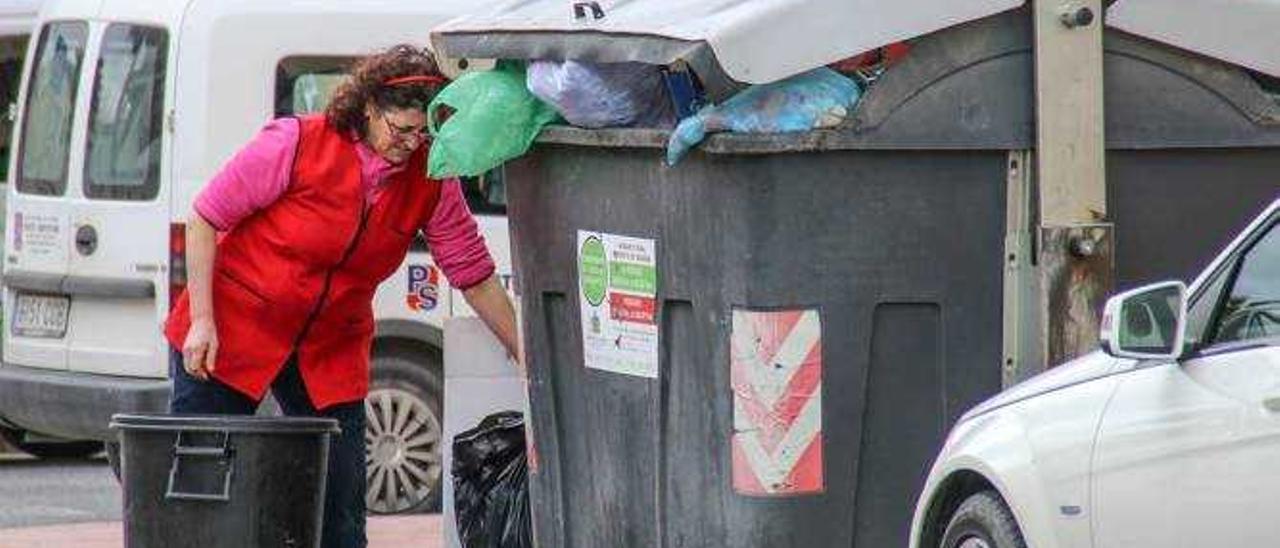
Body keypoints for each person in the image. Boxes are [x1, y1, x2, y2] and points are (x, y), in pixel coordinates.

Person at [163, 44, 521, 548]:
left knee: (340, 514)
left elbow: (472, 272)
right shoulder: (297, 142)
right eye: (401, 130)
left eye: (424, 133)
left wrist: (525, 352)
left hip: (331, 344)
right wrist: (202, 319)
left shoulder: (432, 177)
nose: (412, 144)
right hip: (233, 325)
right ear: (369, 108)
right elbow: (206, 217)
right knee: (204, 496)